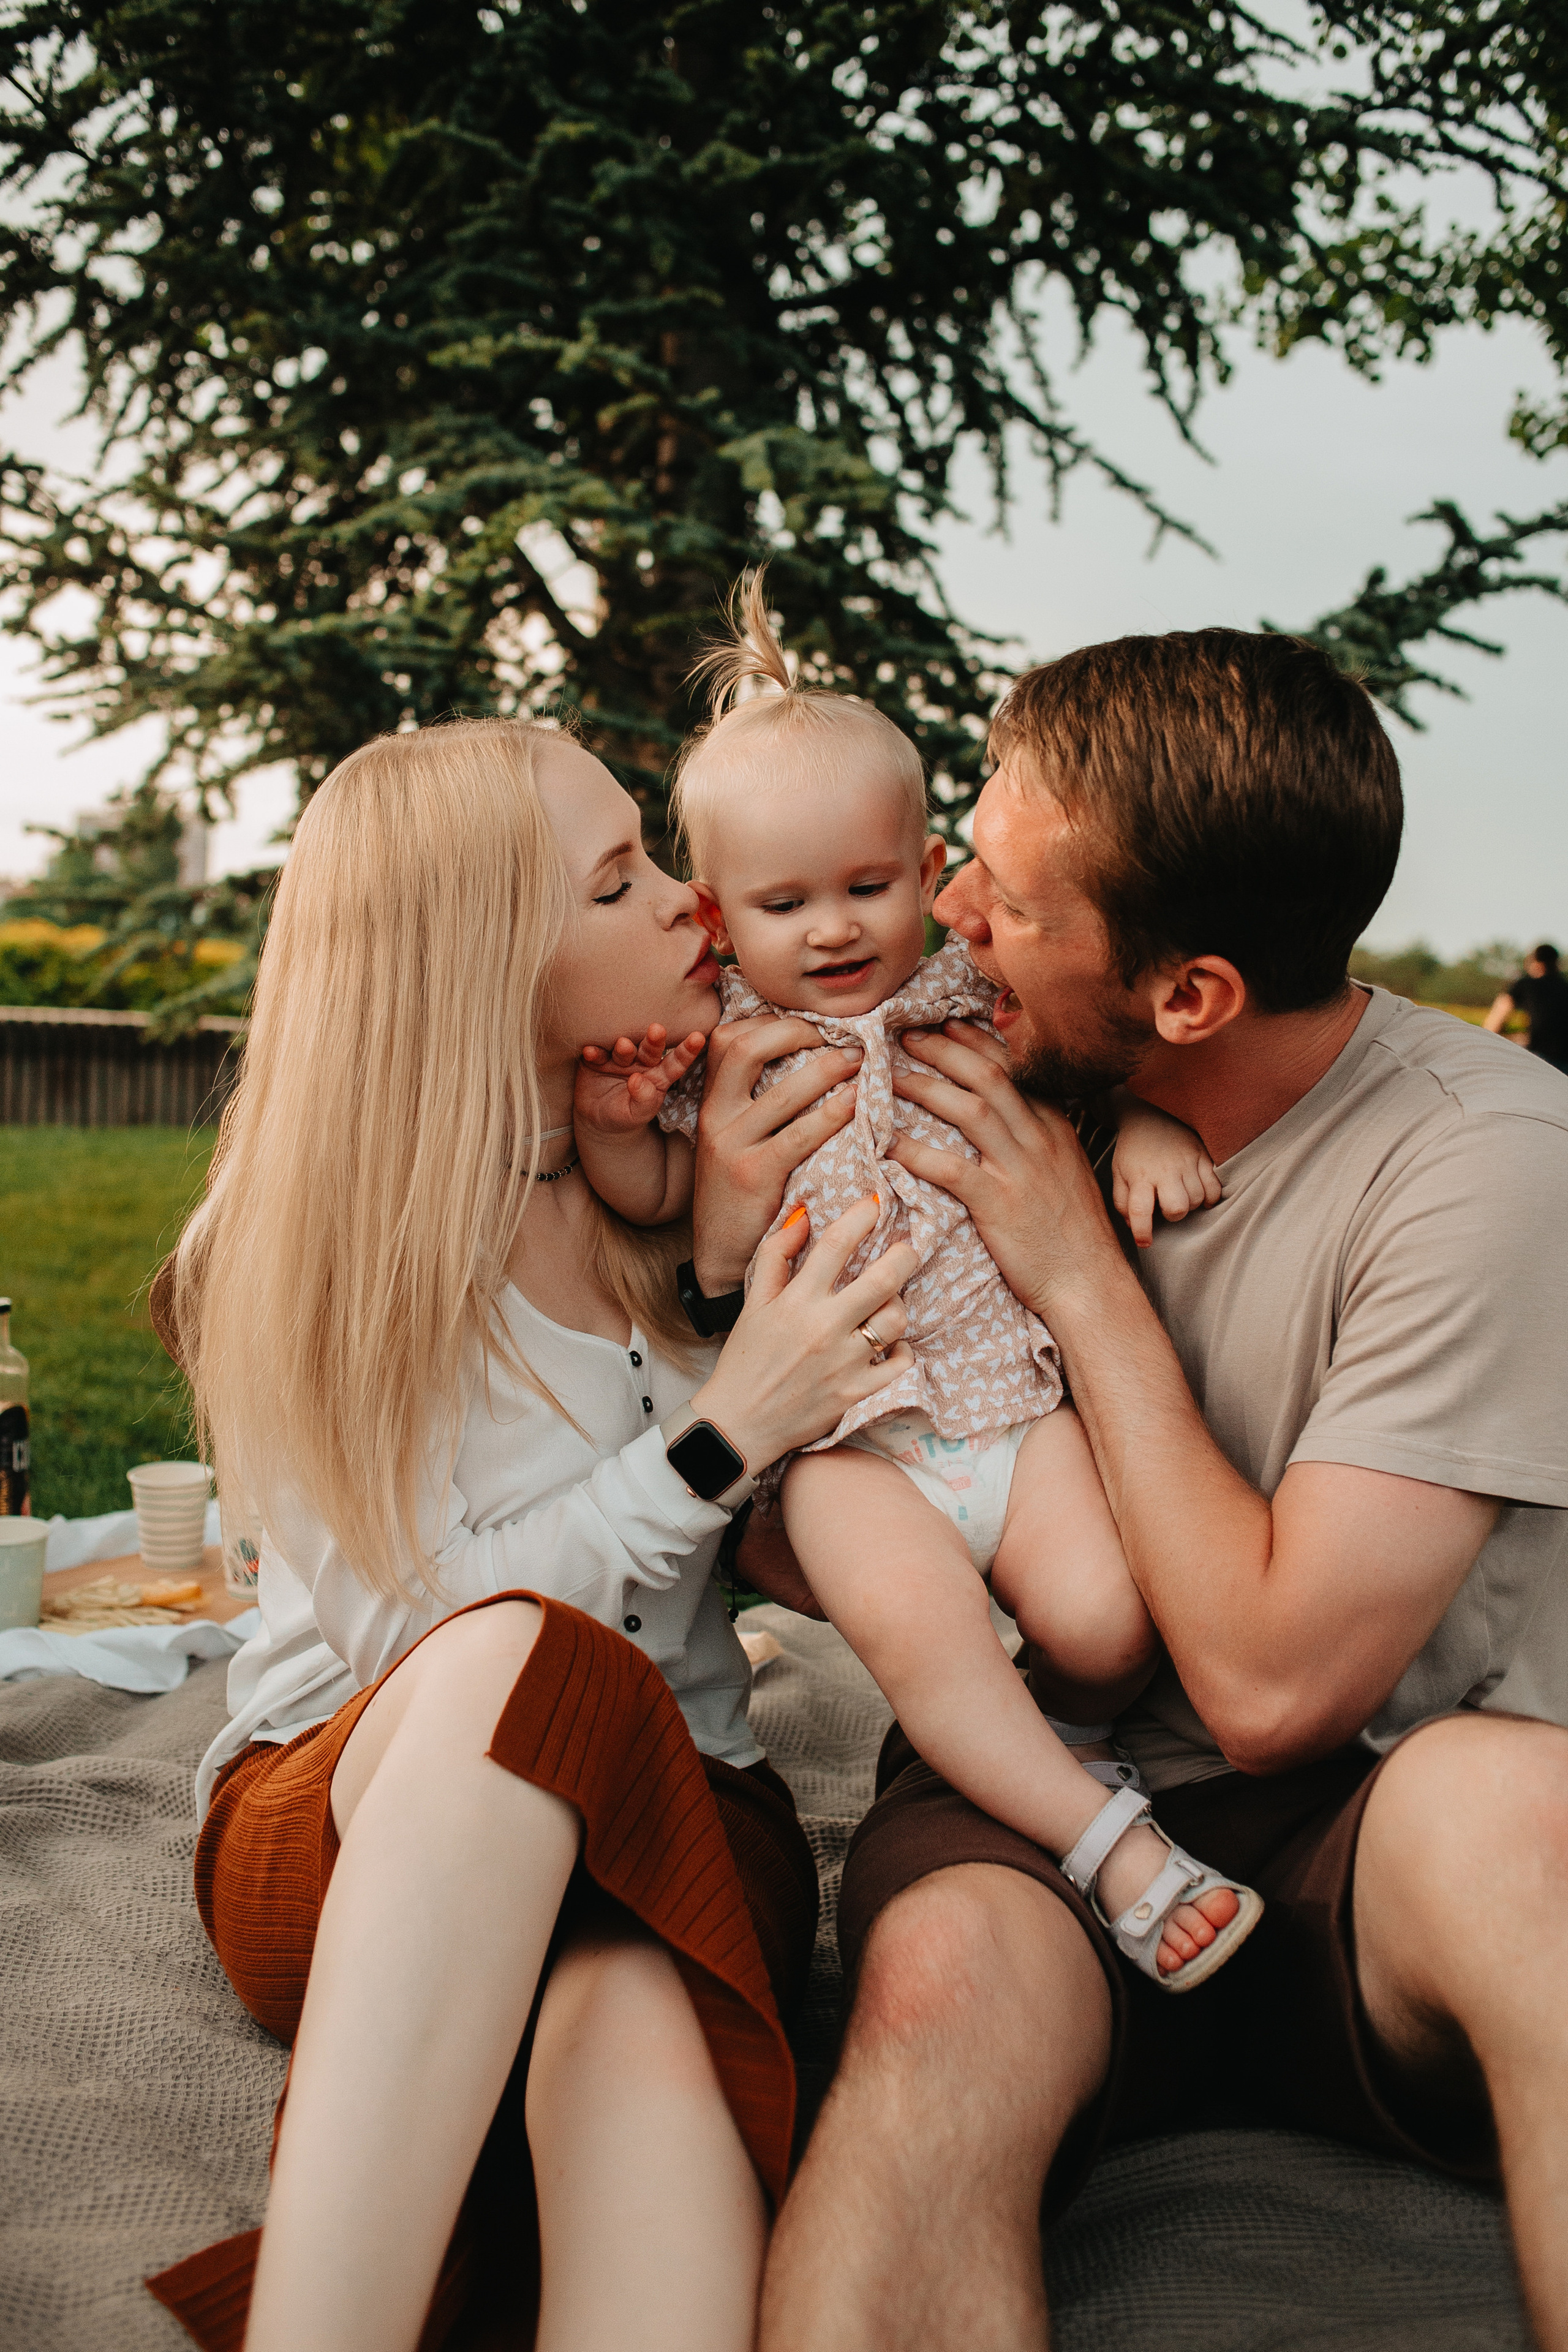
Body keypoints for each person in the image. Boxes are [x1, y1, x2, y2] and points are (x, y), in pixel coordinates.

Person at [743, 629, 1568, 2352]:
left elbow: (1276, 1693)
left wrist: (1082, 1281)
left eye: (1005, 894)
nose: (945, 911)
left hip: (1373, 1820)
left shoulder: (1484, 1166)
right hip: (1052, 1784)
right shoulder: (968, 1063)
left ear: (1187, 995)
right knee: (938, 1995)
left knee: (1533, 1830)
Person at [141, 716, 925, 2352]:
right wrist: (718, 1439)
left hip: (695, 1807)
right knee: (515, 1668)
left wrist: (713, 1264)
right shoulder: (311, 1236)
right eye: (619, 882)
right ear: (492, 960)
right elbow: (413, 1644)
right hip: (352, 1812)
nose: (690, 911)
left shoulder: (687, 1141)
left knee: (637, 2005)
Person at [577, 577, 1256, 1990]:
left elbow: (1079, 1071)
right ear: (716, 912)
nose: (829, 927)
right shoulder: (724, 1043)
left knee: (1101, 1618)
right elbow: (656, 1205)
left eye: (866, 886)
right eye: (782, 901)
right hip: (844, 1442)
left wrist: (1137, 1120)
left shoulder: (968, 995)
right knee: (926, 1640)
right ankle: (1106, 1845)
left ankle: (1037, 1742)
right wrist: (620, 1132)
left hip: (1005, 1403)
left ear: (927, 860)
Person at [1485, 941, 1568, 1074]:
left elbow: (1494, 1024)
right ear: (1557, 964)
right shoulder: (1565, 988)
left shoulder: (1525, 985)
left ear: (1535, 963)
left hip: (1540, 1061)